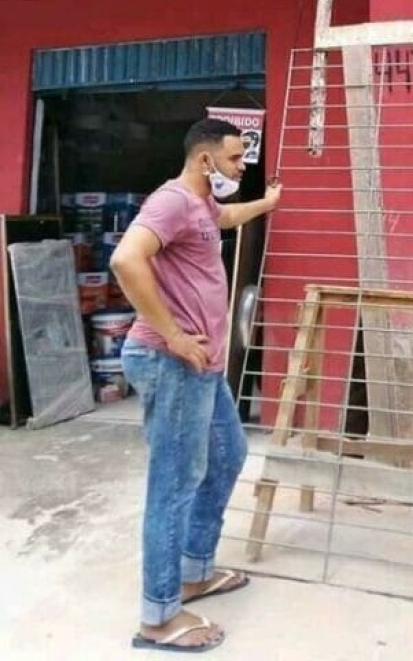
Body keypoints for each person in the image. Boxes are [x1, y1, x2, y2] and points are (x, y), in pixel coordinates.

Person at [111, 118, 283, 654]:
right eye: (235, 161)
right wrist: (174, 336)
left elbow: (226, 216)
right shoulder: (171, 203)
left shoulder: (202, 204)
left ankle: (193, 571)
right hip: (172, 362)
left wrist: (266, 203)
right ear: (206, 160)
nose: (241, 169)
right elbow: (125, 259)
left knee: (228, 455)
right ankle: (158, 616)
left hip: (200, 367)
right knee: (175, 483)